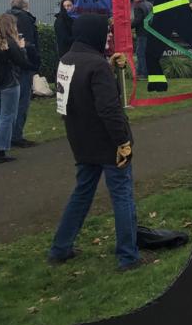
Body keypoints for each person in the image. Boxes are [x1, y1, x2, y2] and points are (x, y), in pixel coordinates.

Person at [49, 14, 141, 269]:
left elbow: (76, 95)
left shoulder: (66, 60)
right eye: (106, 32)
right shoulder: (96, 65)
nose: (109, 35)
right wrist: (123, 141)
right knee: (122, 195)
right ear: (95, 33)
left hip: (80, 140)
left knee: (82, 194)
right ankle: (128, 255)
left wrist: (108, 66)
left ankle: (60, 248)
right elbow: (109, 109)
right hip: (107, 141)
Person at [0, 14, 33, 163]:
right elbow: (22, 62)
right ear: (10, 26)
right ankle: (0, 150)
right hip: (9, 83)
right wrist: (22, 48)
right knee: (7, 116)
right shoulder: (9, 43)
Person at [8, 0, 40, 148]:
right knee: (22, 102)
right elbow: (28, 44)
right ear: (26, 4)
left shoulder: (5, 17)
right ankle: (16, 136)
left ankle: (6, 136)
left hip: (8, 65)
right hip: (23, 65)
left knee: (8, 105)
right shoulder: (25, 19)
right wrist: (33, 64)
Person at [131, 0, 153, 78]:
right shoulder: (149, 4)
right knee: (146, 53)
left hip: (142, 33)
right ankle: (143, 73)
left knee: (140, 53)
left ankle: (143, 74)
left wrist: (128, 26)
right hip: (151, 33)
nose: (133, 1)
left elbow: (137, 21)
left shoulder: (138, 7)